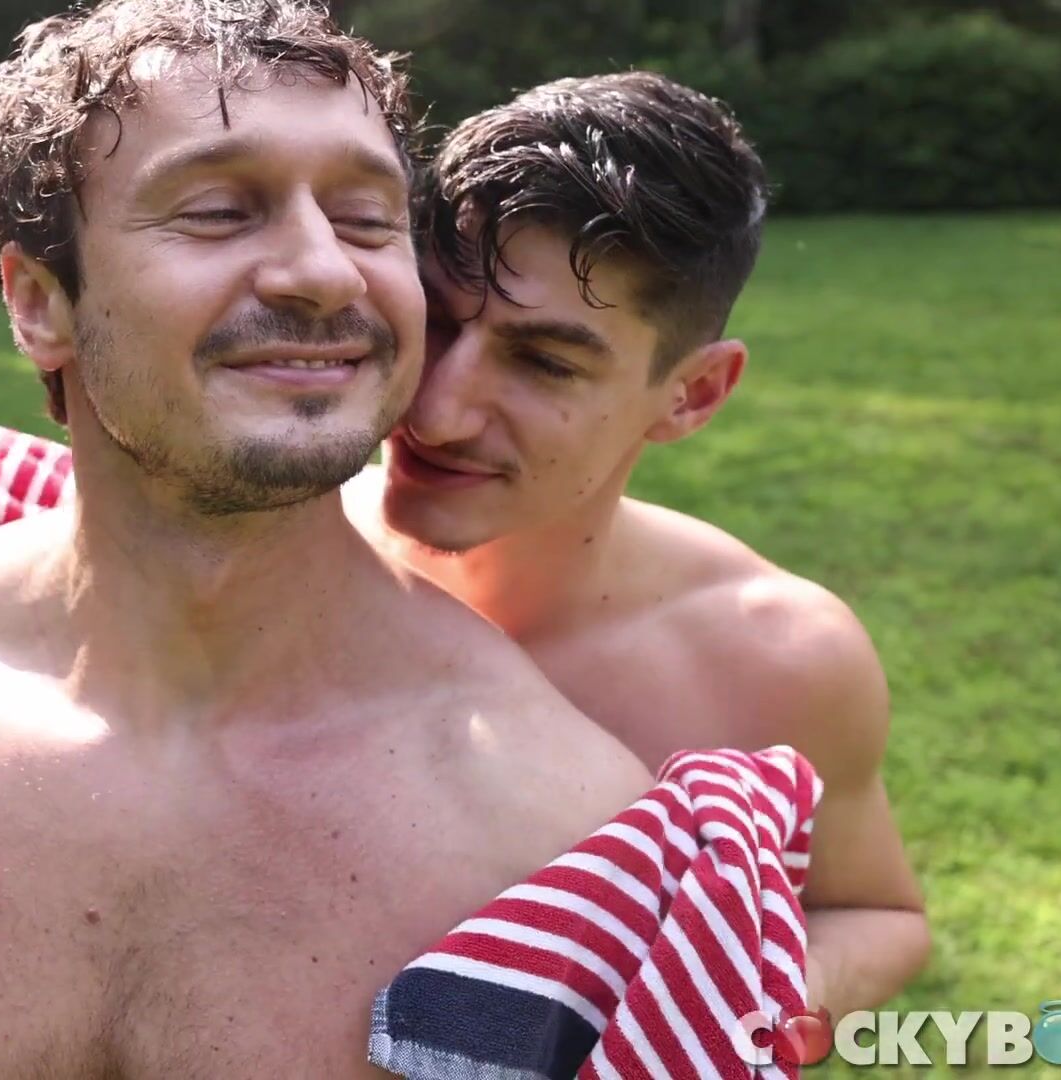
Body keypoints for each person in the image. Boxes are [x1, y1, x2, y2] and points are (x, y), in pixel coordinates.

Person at [0, 2, 650, 1076]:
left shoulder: (551, 831)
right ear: (39, 302)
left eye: (367, 218)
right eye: (218, 211)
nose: (324, 271)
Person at [360, 72, 929, 1014]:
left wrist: (720, 1021)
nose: (436, 411)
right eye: (434, 318)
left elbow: (873, 913)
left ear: (692, 394)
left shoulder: (776, 660)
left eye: (545, 361)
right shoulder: (272, 555)